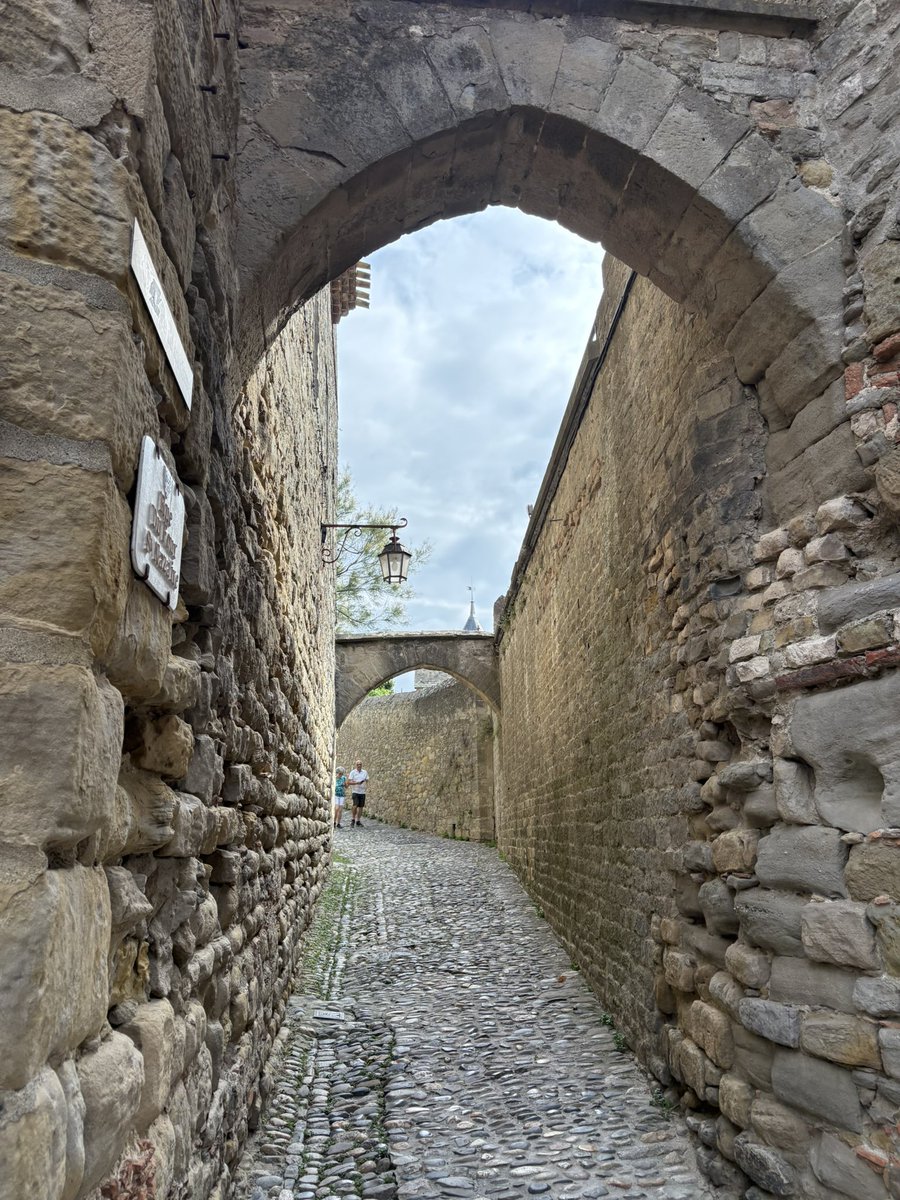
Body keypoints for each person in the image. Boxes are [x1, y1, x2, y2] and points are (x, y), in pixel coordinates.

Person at [347, 759, 369, 827]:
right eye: (357, 764)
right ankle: (353, 819)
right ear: (356, 765)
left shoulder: (365, 772)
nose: (359, 765)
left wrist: (365, 782)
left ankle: (358, 820)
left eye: (360, 764)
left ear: (361, 765)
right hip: (355, 791)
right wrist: (357, 783)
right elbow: (349, 782)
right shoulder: (353, 772)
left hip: (362, 792)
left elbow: (367, 779)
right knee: (355, 805)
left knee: (361, 807)